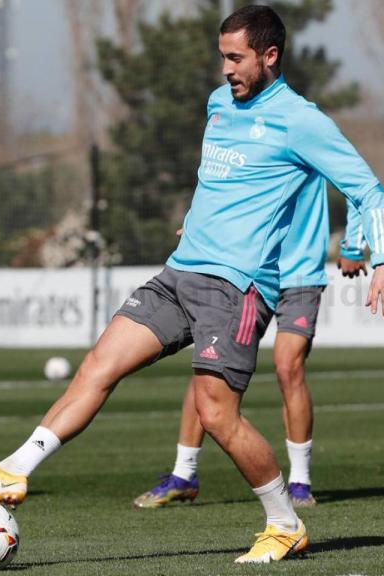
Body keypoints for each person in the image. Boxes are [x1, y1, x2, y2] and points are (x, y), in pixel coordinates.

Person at [0, 5, 384, 564]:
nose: (226, 69)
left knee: (216, 414)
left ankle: (284, 523)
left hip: (236, 288)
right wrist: (197, 216)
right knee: (98, 365)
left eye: (236, 58)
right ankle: (14, 471)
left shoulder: (301, 120)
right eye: (221, 57)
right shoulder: (218, 104)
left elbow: (369, 189)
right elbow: (217, 176)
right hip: (179, 273)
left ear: (269, 56)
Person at [133, 189, 367, 510]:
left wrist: (354, 242)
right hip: (245, 270)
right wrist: (201, 223)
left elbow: (357, 184)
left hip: (299, 274)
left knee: (288, 367)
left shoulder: (309, 137)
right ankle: (184, 474)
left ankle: (300, 481)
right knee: (209, 366)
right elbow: (223, 179)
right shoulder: (248, 140)